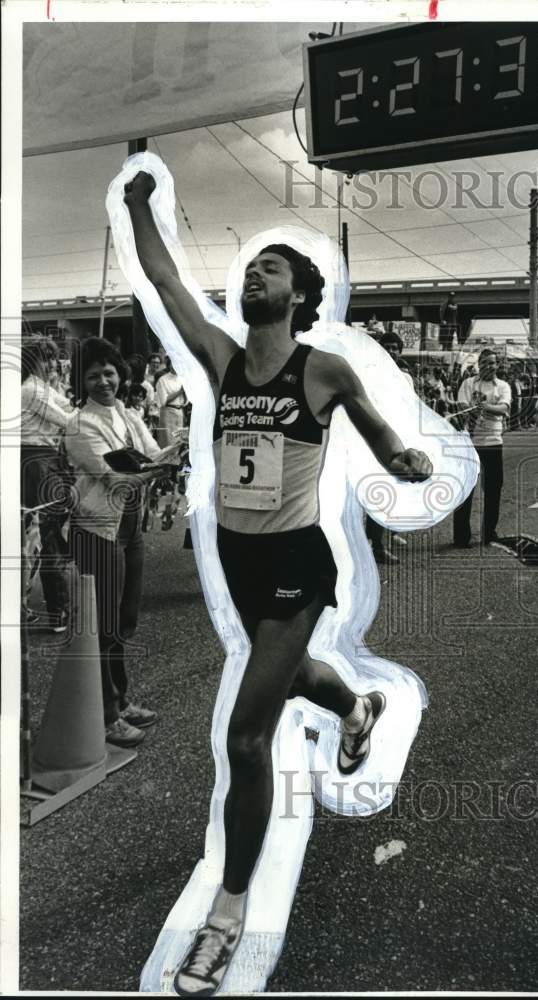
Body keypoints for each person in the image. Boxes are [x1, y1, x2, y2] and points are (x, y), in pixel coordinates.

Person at [123, 169, 432, 997]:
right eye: (249, 268)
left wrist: (407, 461)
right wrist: (137, 206)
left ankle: (227, 915)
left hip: (297, 563)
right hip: (237, 556)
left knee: (246, 737)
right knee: (287, 676)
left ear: (299, 295)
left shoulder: (324, 370)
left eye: (271, 269)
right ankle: (356, 706)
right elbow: (165, 281)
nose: (252, 275)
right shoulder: (223, 360)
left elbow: (383, 438)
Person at [65, 337, 178, 747]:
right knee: (103, 626)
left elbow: (154, 453)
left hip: (128, 527)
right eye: (92, 375)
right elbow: (118, 478)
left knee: (124, 621)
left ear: (120, 375)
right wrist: (158, 469)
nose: (102, 381)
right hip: (96, 529)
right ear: (81, 380)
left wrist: (184, 445)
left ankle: (121, 699)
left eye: (108, 372)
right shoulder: (81, 424)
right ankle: (107, 715)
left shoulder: (128, 415)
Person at [20, 337, 73, 632]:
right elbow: (69, 420)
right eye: (45, 359)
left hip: (42, 461)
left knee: (37, 536)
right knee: (43, 535)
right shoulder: (30, 390)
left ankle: (32, 605)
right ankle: (58, 610)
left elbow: (69, 407)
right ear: (32, 362)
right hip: (34, 462)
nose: (51, 364)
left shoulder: (43, 388)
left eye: (53, 358)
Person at [451, 348, 511, 547]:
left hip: (493, 443)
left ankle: (489, 533)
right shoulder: (468, 383)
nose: (488, 366)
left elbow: (504, 408)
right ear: (479, 364)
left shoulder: (502, 386)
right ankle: (461, 536)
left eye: (492, 362)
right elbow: (462, 406)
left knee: (493, 489)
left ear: (497, 365)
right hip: (469, 443)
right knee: (466, 489)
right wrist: (471, 410)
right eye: (484, 362)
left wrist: (484, 407)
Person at [365, 329, 411, 564]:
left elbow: (409, 407)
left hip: (394, 439)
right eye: (387, 347)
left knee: (384, 492)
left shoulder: (405, 377)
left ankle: (378, 545)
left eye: (395, 348)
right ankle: (364, 543)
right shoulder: (367, 373)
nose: (391, 351)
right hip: (368, 437)